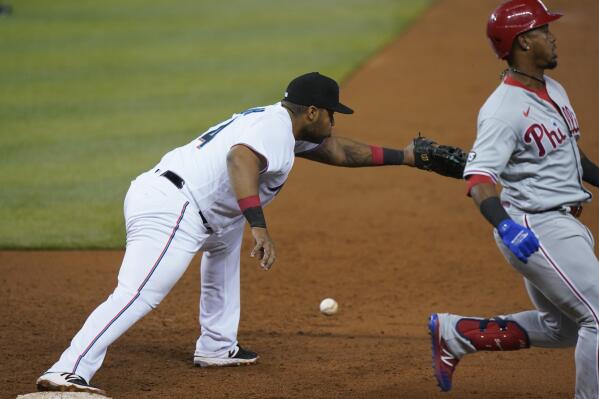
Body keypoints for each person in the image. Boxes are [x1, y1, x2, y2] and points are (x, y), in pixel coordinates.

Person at [36, 72, 465, 395]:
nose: (335, 121)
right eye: (332, 113)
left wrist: (406, 157)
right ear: (312, 112)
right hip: (173, 207)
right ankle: (67, 368)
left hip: (193, 204)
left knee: (224, 241)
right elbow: (240, 159)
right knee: (141, 291)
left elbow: (338, 150)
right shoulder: (271, 130)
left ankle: (217, 345)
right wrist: (260, 226)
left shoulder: (284, 125)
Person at [428, 1, 599, 397]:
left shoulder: (553, 89)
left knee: (565, 328)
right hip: (535, 229)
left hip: (562, 224)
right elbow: (479, 179)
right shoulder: (502, 111)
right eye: (544, 31)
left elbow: (576, 159)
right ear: (524, 42)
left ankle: (457, 334)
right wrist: (504, 226)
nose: (553, 37)